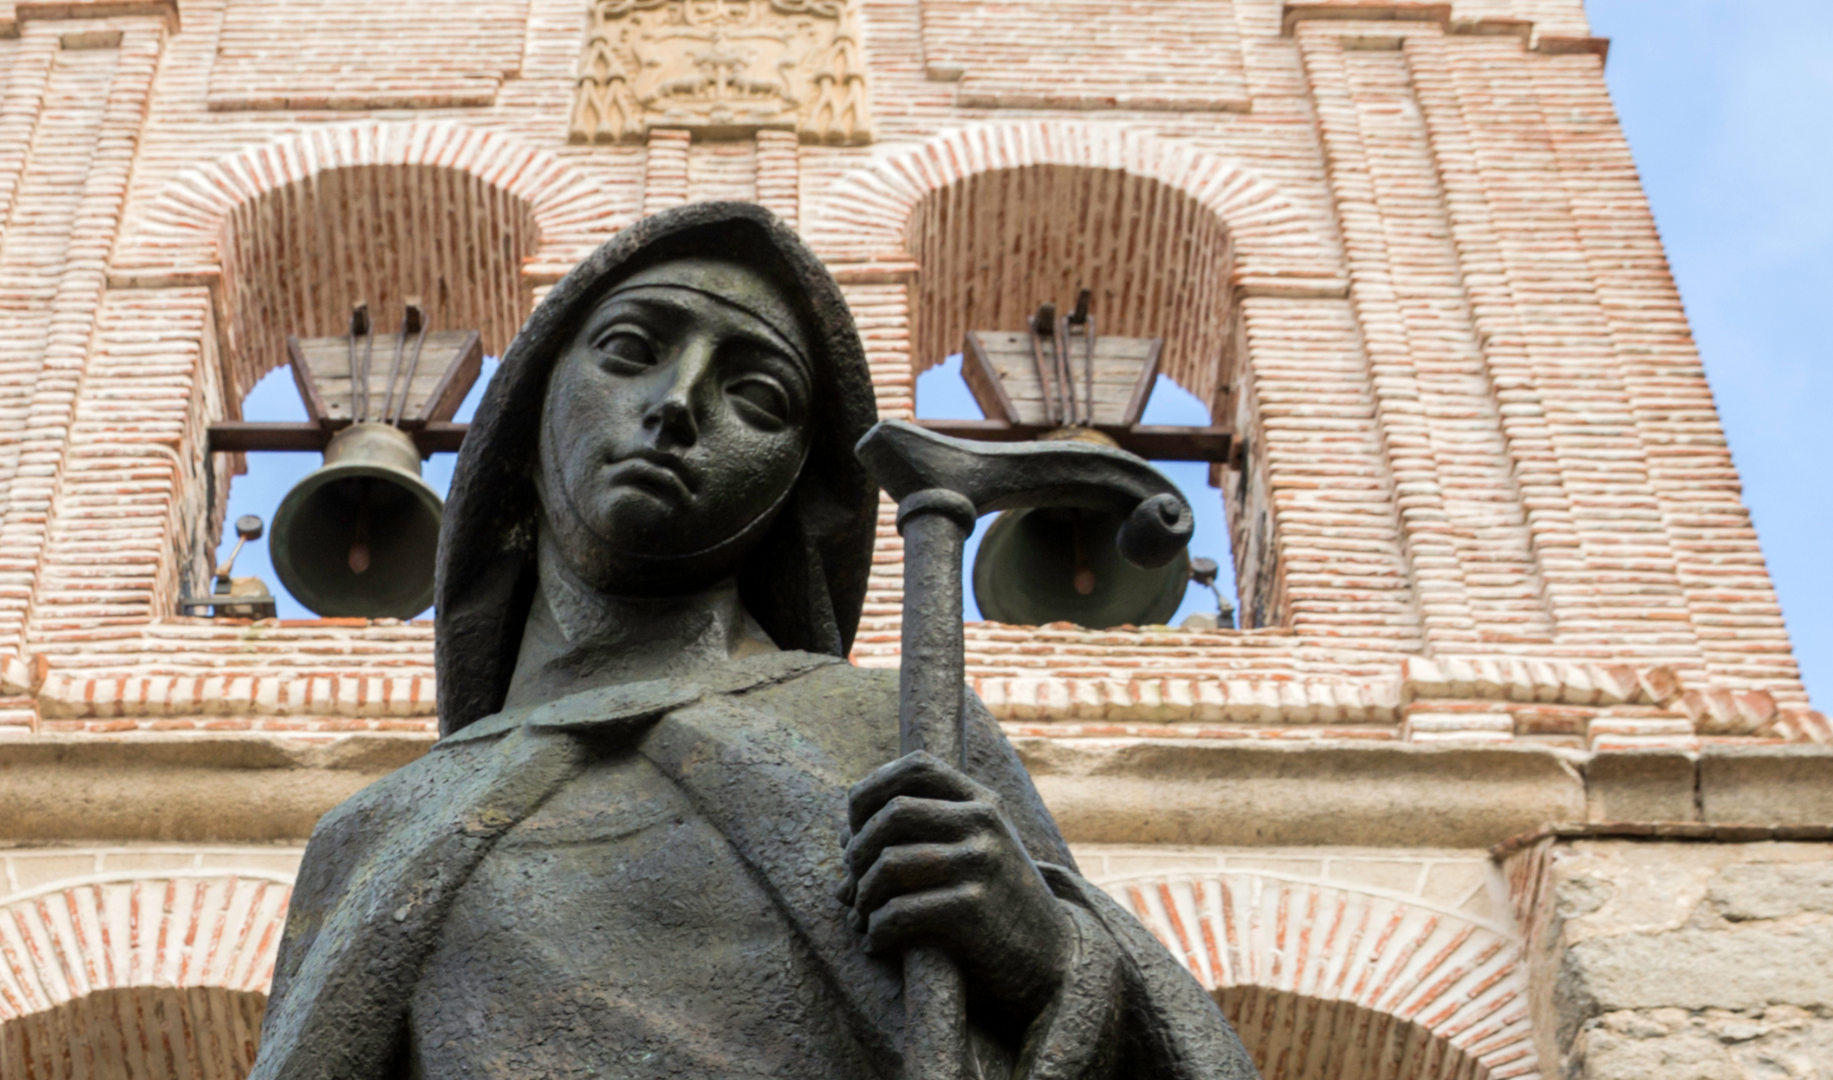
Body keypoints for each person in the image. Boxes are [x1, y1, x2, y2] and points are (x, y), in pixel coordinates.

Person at [250, 202, 1258, 1080]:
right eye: (631, 348)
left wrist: (1045, 959)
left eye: (759, 396)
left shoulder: (889, 734)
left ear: (797, 491)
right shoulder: (377, 839)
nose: (678, 403)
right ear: (529, 412)